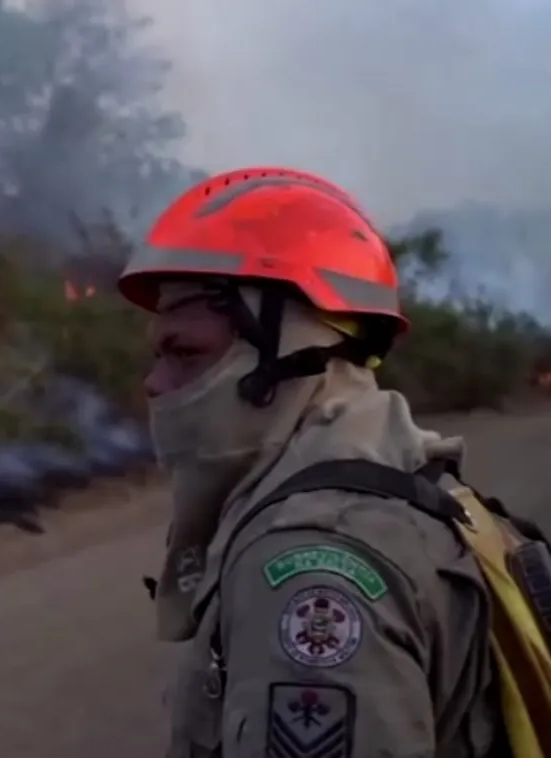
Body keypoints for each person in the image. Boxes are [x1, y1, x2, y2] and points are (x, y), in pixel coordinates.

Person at [116, 167, 504, 757]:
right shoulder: (411, 478)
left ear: (292, 351)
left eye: (186, 351)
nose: (154, 383)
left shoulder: (312, 567)